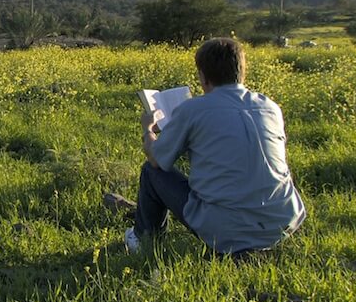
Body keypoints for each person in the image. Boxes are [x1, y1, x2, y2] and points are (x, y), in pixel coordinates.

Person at [119, 37, 306, 254]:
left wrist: (148, 129)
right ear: (241, 72)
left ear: (204, 77)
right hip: (283, 221)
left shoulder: (194, 109)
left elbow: (155, 158)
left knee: (152, 172)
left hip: (226, 230)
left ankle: (144, 240)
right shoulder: (270, 107)